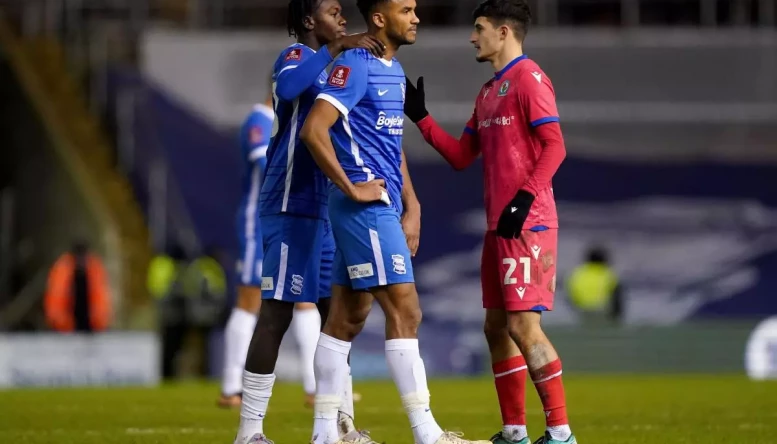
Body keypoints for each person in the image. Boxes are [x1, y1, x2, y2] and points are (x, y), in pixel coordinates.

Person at [300, 1, 488, 443]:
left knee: (347, 317)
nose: (416, 17)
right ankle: (428, 434)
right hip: (364, 209)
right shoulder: (356, 65)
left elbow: (387, 143)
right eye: (406, 9)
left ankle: (326, 433)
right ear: (380, 19)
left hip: (379, 207)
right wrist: (350, 187)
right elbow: (314, 130)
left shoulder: (390, 71)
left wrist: (413, 204)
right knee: (406, 309)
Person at [402, 1, 576, 443]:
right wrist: (421, 118)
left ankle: (560, 433)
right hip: (499, 226)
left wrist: (523, 198)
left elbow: (555, 146)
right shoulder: (488, 91)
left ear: (503, 32)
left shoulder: (529, 78)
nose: (472, 37)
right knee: (495, 328)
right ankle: (515, 432)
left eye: (478, 28)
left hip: (528, 222)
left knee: (523, 326)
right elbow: (462, 156)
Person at [232, 1, 385, 443]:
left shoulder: (336, 66)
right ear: (306, 21)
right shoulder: (295, 58)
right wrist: (337, 46)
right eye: (333, 11)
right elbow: (295, 84)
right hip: (288, 202)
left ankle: (342, 427)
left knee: (334, 319)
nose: (341, 18)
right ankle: (249, 433)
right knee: (276, 313)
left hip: (326, 207)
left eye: (342, 12)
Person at [44, 240, 111, 333]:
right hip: (65, 329)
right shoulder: (63, 271)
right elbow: (55, 302)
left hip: (91, 327)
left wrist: (99, 321)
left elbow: (102, 302)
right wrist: (61, 323)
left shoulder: (95, 271)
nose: (81, 261)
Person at [566, 246, 623, 324]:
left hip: (582, 313)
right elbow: (617, 299)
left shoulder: (577, 274)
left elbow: (570, 297)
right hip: (603, 313)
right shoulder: (609, 274)